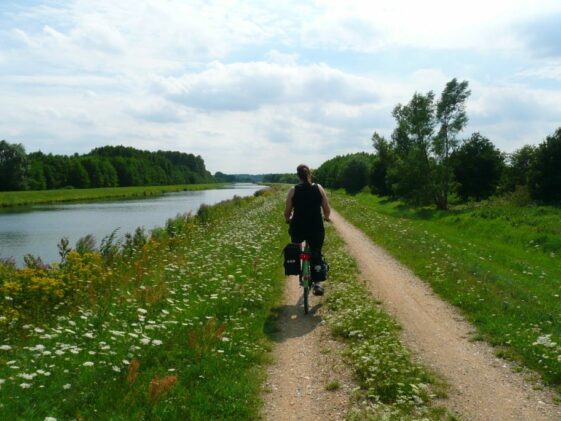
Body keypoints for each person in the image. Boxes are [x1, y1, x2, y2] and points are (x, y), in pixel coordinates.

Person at [284, 164, 331, 296]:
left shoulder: (293, 190)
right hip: (315, 227)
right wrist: (326, 218)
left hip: (298, 227)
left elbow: (287, 211)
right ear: (309, 174)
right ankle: (317, 283)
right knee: (316, 252)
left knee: (296, 247)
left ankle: (298, 267)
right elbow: (327, 210)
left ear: (298, 176)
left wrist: (288, 219)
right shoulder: (319, 188)